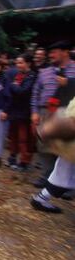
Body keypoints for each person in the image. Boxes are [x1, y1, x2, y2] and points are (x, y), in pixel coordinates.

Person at [31, 41, 75, 188]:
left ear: (65, 52)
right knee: (44, 145)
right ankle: (48, 176)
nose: (50, 56)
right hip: (46, 111)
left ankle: (67, 183)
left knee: (67, 148)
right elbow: (36, 92)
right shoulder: (45, 71)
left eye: (54, 52)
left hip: (68, 114)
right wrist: (35, 112)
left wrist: (69, 83)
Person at [31, 102, 75, 213]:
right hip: (70, 142)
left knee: (62, 173)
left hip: (68, 143)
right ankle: (41, 198)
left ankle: (41, 198)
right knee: (63, 173)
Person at [6, 54, 36, 171]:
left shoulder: (32, 76)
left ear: (28, 63)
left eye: (21, 63)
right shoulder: (16, 75)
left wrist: (14, 86)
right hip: (14, 110)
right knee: (13, 135)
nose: (18, 65)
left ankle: (25, 161)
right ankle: (12, 157)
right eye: (17, 63)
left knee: (24, 137)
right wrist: (15, 87)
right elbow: (10, 90)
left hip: (25, 111)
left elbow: (23, 92)